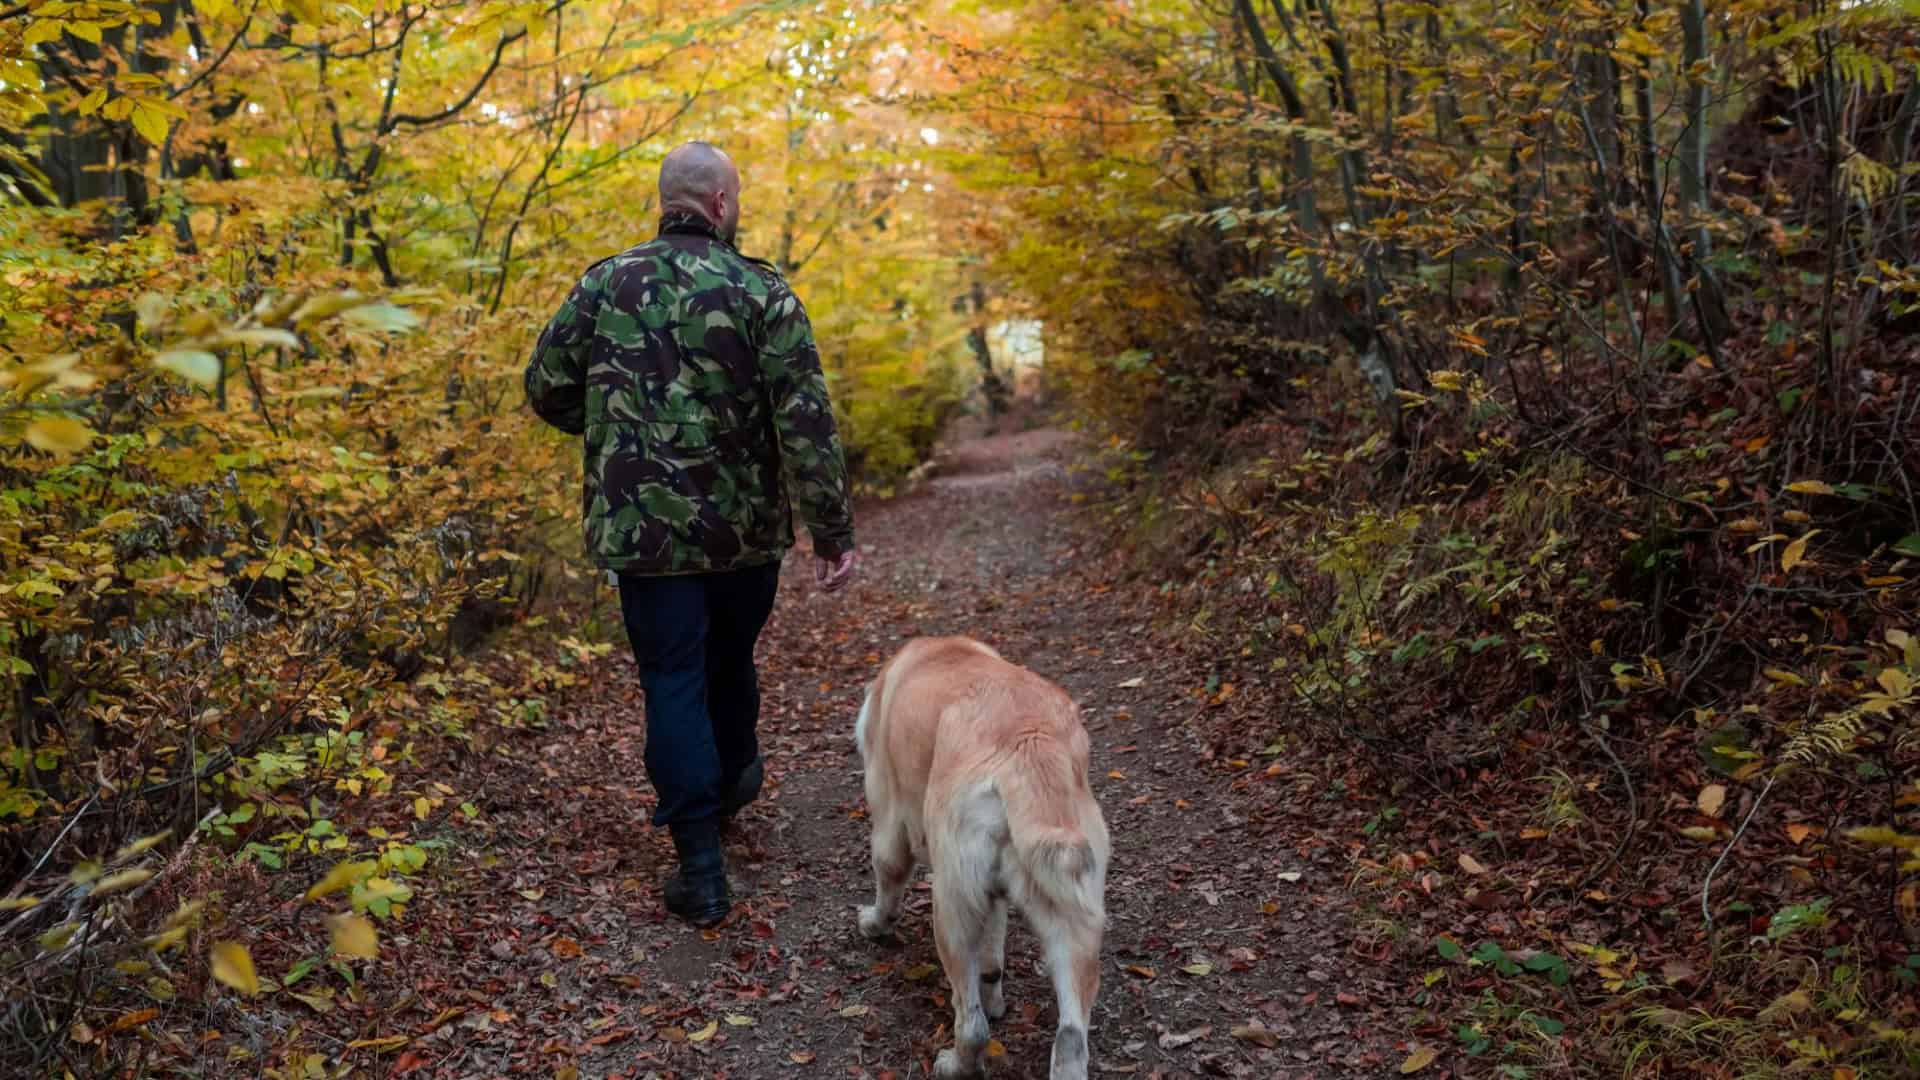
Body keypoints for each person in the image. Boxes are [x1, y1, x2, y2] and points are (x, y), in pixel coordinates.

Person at [523, 141, 858, 927]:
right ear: (719, 204)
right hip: (742, 535)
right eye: (733, 199)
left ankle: (700, 868)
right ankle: (735, 776)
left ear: (665, 201)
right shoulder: (761, 291)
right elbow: (805, 419)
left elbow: (545, 387)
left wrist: (611, 430)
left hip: (644, 539)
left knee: (672, 678)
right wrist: (831, 531)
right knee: (728, 657)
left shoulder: (605, 284)